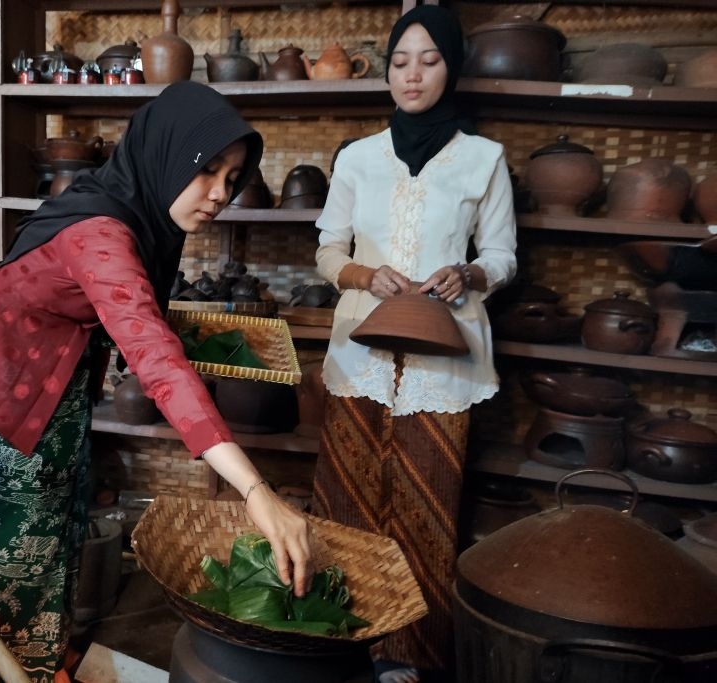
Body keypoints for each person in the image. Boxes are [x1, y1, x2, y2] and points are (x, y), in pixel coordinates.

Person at [0, 80, 313, 682]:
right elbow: (155, 359)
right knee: (18, 533)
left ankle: (44, 651)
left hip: (58, 367)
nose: (220, 194)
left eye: (233, 177)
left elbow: (139, 320)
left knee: (63, 514)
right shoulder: (103, 234)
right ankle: (2, 665)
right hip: (6, 376)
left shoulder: (136, 210)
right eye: (208, 172)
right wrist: (258, 493)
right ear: (167, 155)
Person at [310, 6, 518, 683]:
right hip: (360, 356)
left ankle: (409, 658)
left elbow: (503, 253)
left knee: (429, 506)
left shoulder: (484, 159)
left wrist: (472, 272)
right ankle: (335, 643)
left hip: (442, 361)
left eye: (428, 60)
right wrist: (365, 274)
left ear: (451, 67)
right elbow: (325, 251)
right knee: (346, 501)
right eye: (401, 60)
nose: (412, 74)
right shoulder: (358, 158)